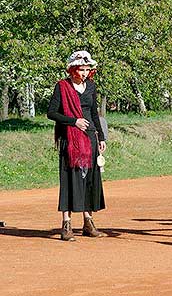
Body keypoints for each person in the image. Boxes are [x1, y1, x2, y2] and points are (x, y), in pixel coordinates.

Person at [47, 50, 107, 241]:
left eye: (87, 69)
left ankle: (88, 222)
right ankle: (66, 225)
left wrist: (101, 136)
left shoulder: (91, 87)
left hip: (89, 139)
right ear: (73, 69)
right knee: (70, 180)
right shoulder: (62, 87)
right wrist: (74, 121)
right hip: (70, 140)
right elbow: (51, 113)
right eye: (81, 69)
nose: (84, 73)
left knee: (89, 179)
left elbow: (94, 114)